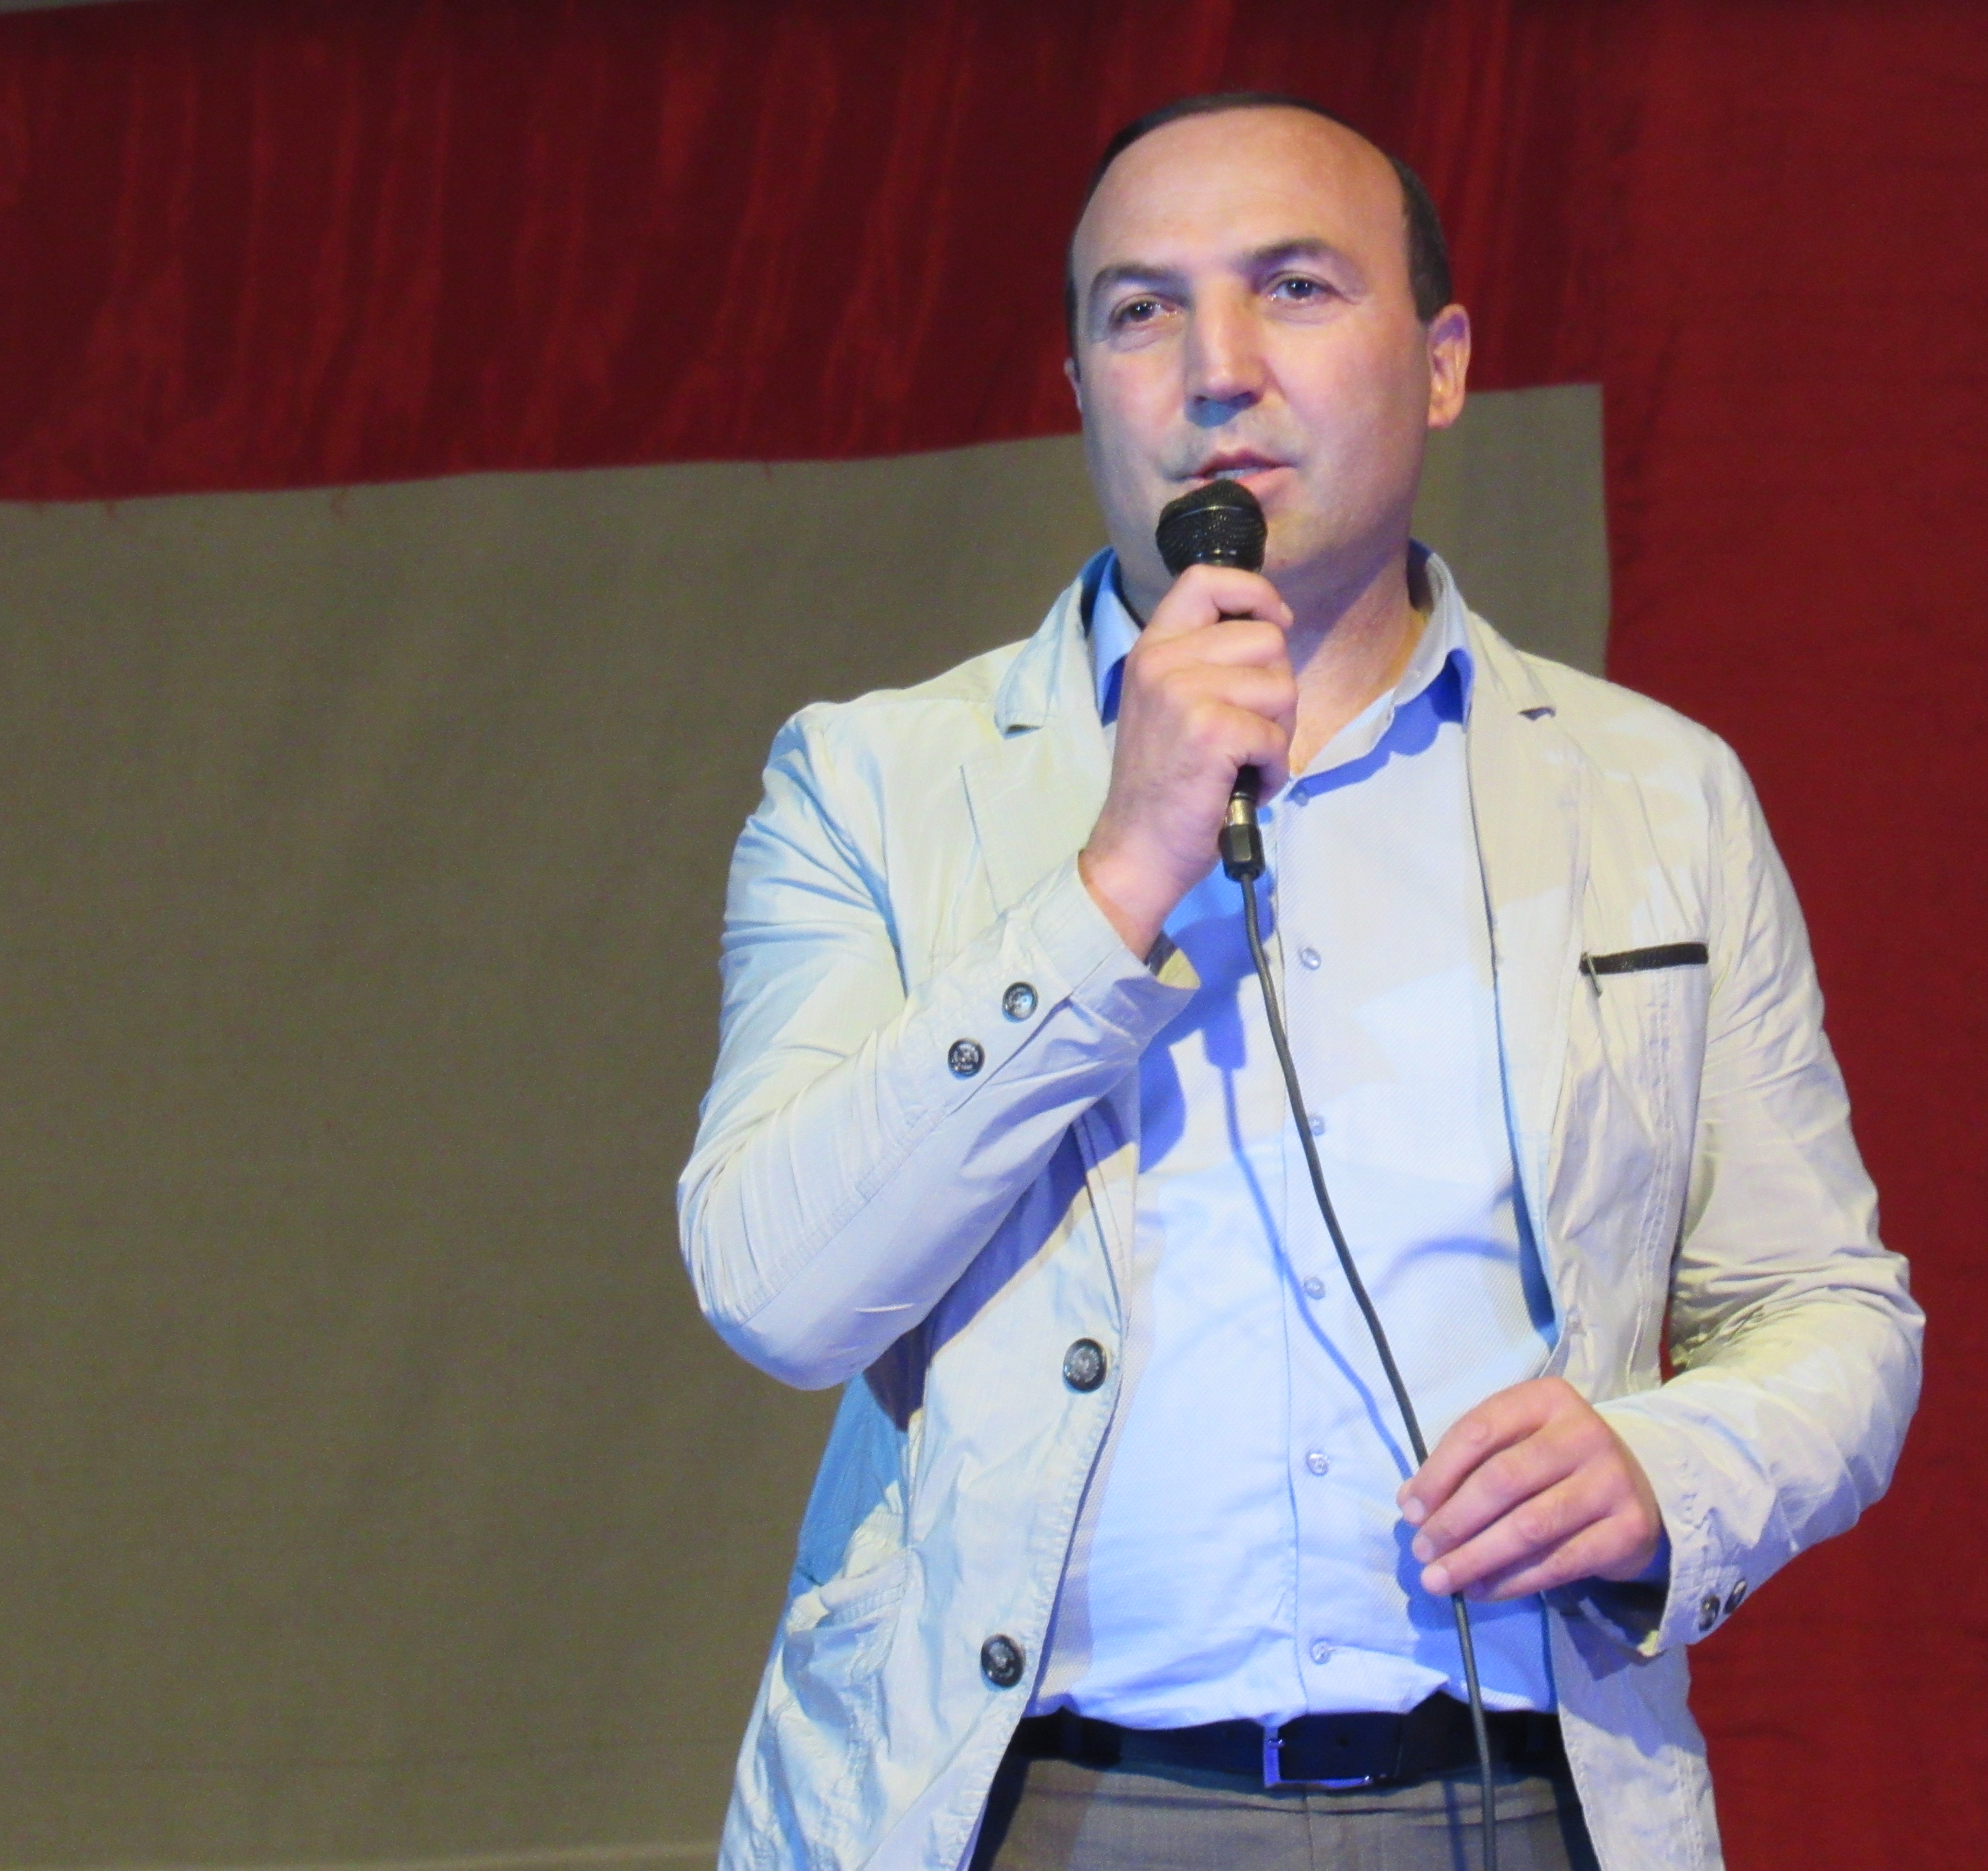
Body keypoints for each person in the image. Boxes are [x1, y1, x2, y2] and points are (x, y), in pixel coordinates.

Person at [678, 93, 1922, 1871]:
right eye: (1143, 311)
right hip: (1036, 1806)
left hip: (1507, 1796)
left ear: (1442, 363)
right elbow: (778, 1290)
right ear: (1081, 388)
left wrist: (1677, 1472)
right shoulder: (875, 784)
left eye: (1296, 289)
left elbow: (1829, 1309)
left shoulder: (1653, 794)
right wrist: (1118, 876)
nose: (1218, 370)